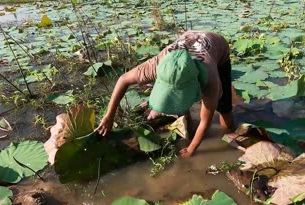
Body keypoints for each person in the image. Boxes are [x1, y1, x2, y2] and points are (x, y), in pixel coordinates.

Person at [96, 31, 233, 157]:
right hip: (189, 38)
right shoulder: (159, 63)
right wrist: (109, 116)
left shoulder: (211, 80)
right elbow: (123, 79)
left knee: (224, 110)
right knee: (180, 101)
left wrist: (191, 149)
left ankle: (228, 131)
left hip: (218, 48)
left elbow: (205, 121)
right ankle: (188, 127)